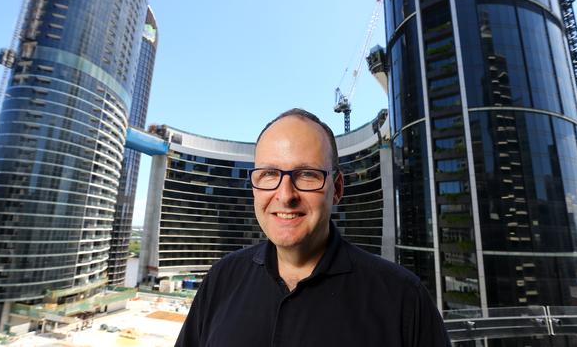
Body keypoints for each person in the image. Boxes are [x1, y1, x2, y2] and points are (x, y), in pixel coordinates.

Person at [175, 108, 451, 346]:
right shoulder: (221, 279)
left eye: (307, 175)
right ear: (254, 187)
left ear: (337, 189)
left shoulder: (404, 300)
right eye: (269, 174)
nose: (285, 195)